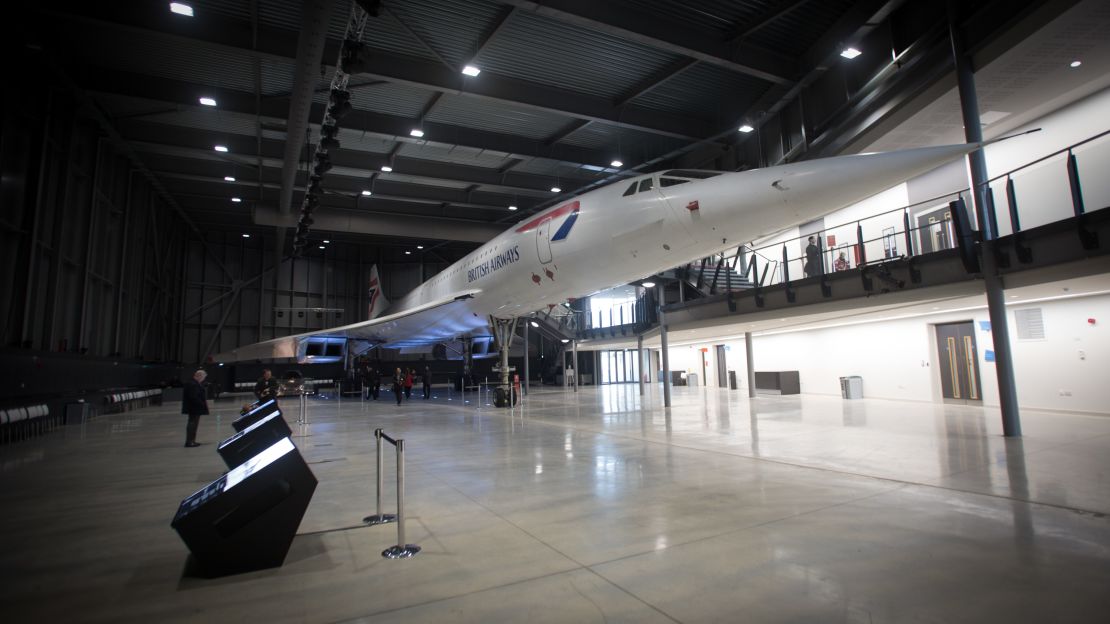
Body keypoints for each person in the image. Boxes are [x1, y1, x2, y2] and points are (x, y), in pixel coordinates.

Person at [181, 369, 209, 447]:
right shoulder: (192, 384)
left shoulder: (194, 383)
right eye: (203, 378)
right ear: (199, 376)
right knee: (192, 424)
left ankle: (192, 440)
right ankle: (189, 441)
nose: (203, 379)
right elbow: (194, 397)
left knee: (193, 424)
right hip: (194, 408)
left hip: (194, 408)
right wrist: (201, 404)